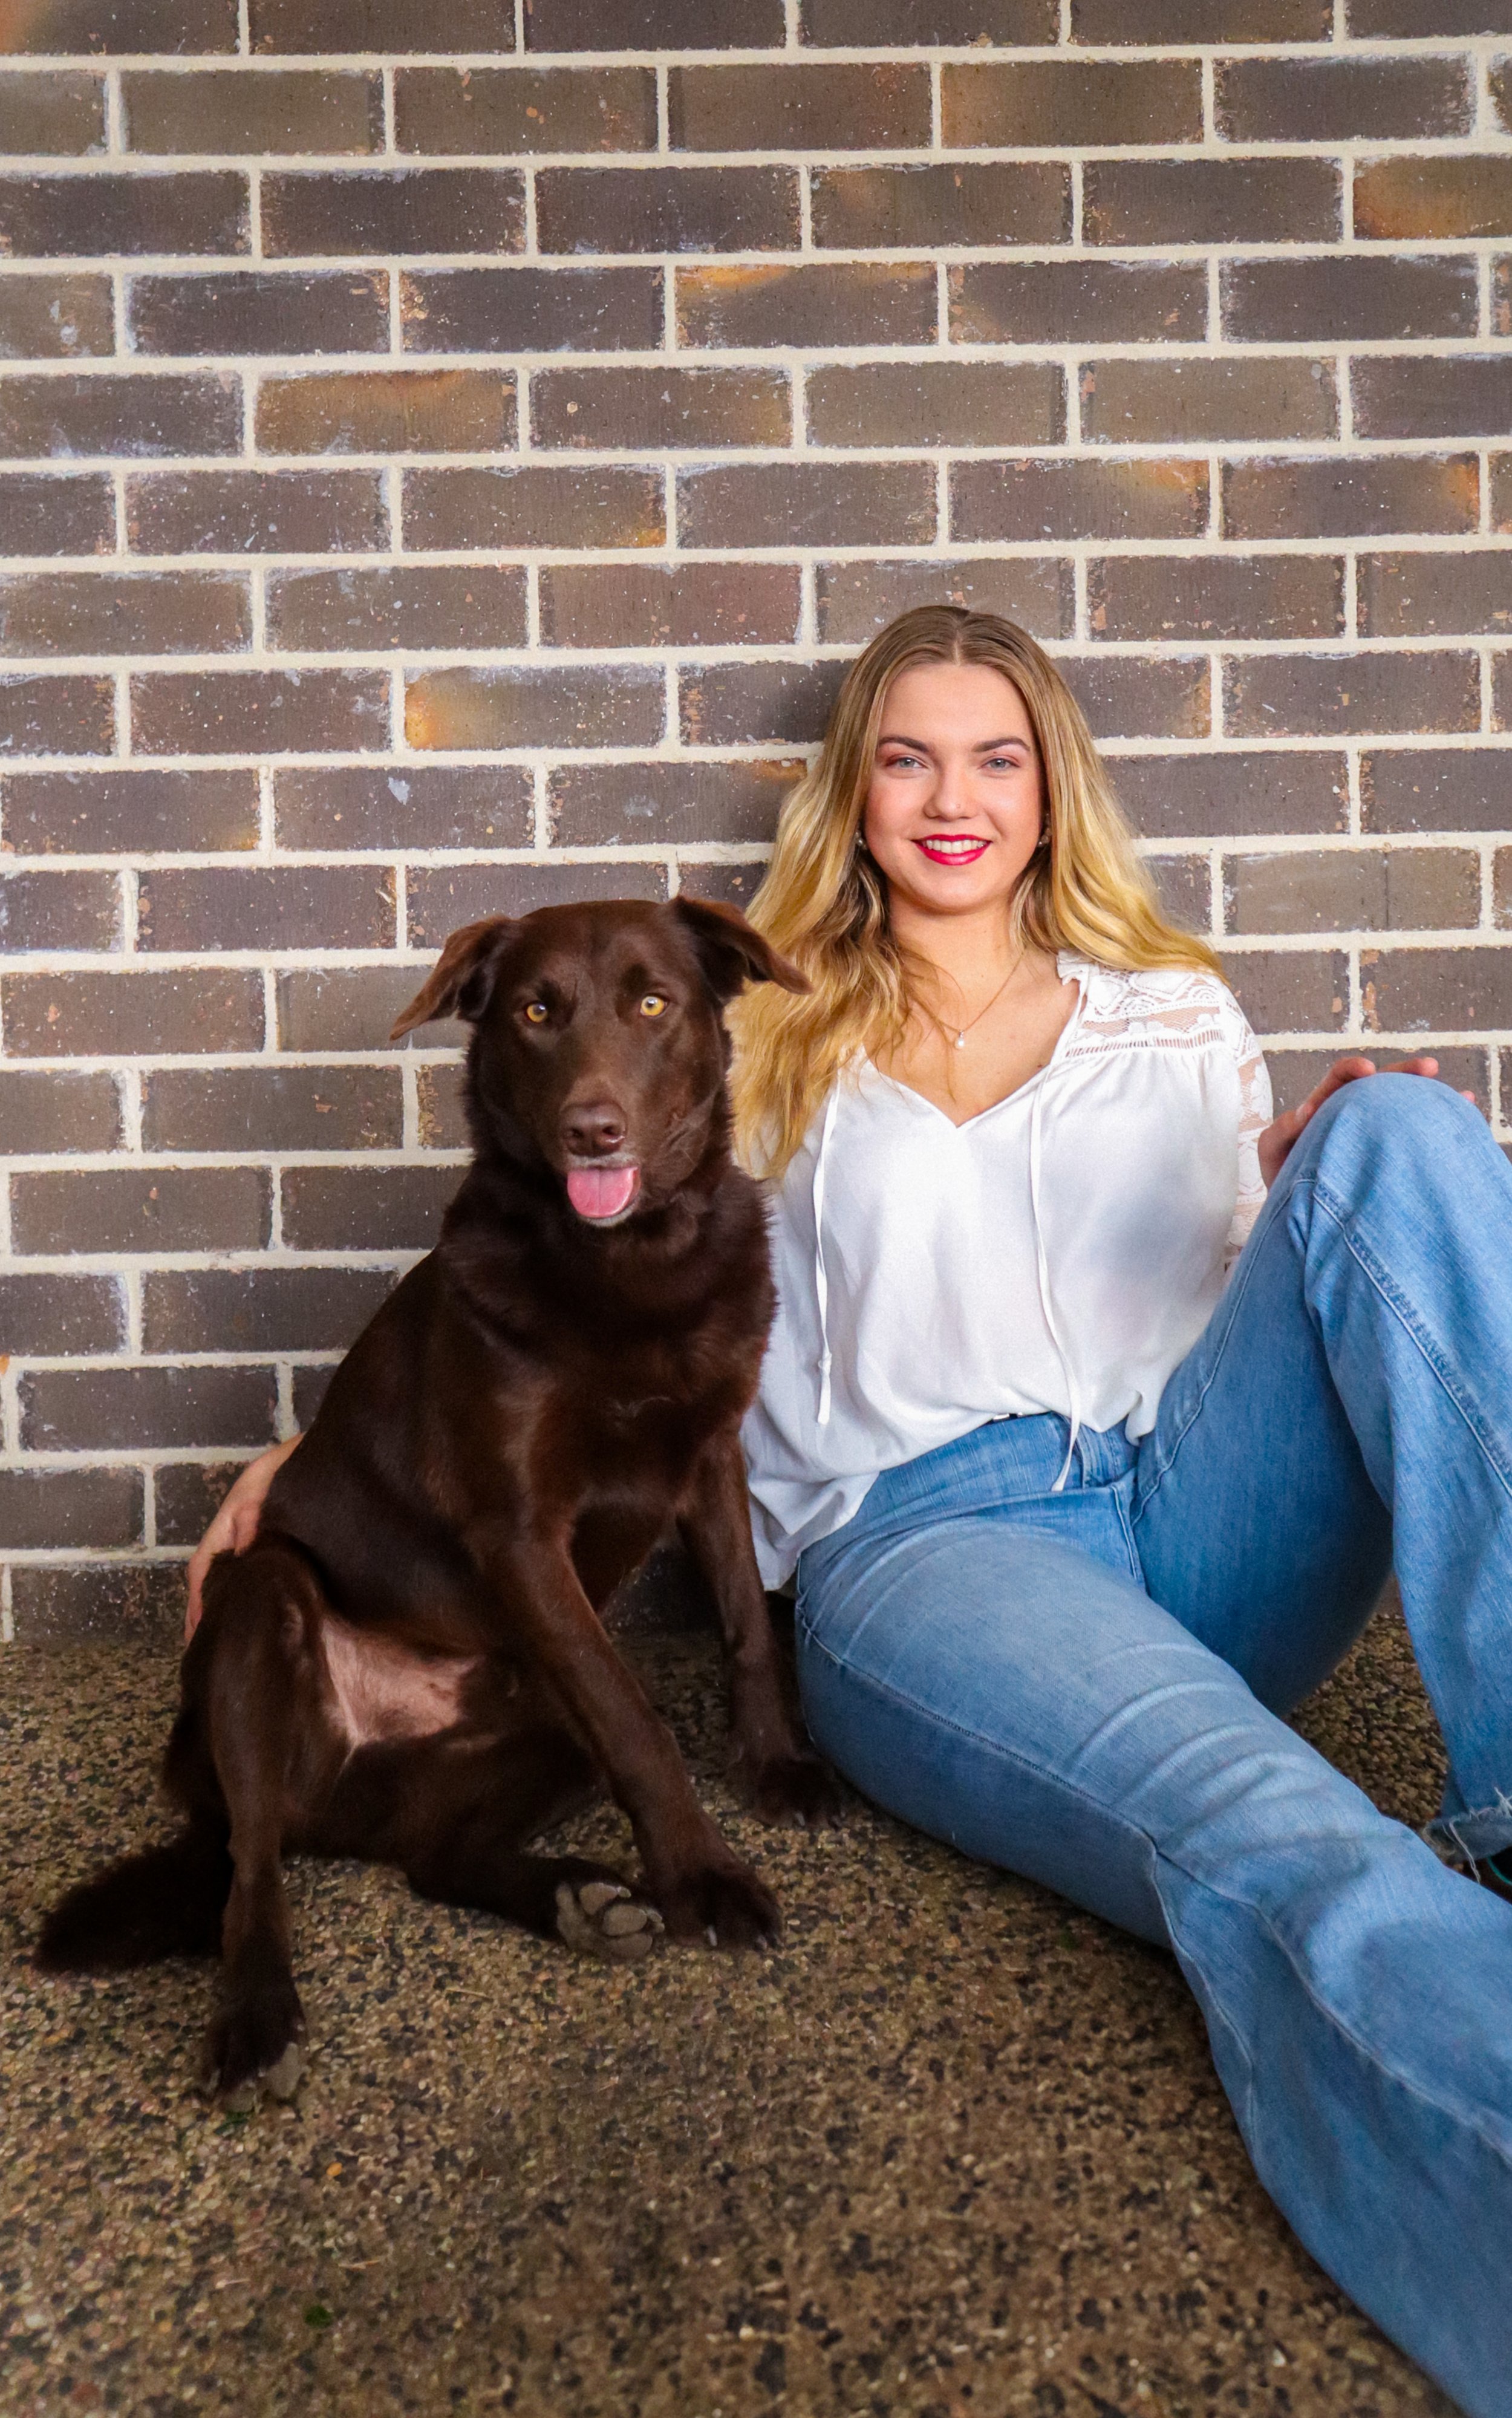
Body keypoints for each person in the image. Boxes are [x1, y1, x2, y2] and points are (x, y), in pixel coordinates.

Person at [189, 608, 1512, 2416]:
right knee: (1268, 1814)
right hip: (942, 1550)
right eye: (905, 756)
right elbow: (540, 1301)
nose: (950, 797)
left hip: (1185, 1497)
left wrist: (1317, 1175)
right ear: (854, 791)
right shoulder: (754, 1024)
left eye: (995, 756)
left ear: (1050, 791)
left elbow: (1230, 1265)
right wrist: (289, 1475)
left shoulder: (1172, 1009)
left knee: (1410, 1139)